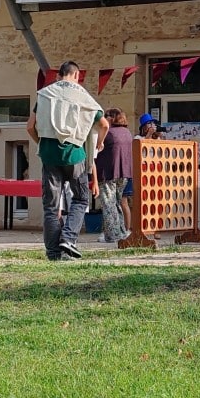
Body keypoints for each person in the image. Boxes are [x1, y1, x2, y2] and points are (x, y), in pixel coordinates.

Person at [27, 61, 106, 260]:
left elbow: (30, 126)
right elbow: (103, 124)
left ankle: (53, 253)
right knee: (80, 199)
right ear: (77, 74)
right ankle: (68, 238)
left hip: (49, 154)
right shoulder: (82, 95)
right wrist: (99, 144)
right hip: (74, 153)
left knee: (51, 206)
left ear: (59, 75)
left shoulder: (45, 94)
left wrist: (42, 142)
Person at [96, 108, 133, 244]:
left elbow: (97, 150)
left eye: (106, 116)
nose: (104, 118)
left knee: (108, 204)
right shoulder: (127, 133)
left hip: (108, 172)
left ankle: (112, 235)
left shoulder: (109, 133)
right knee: (117, 203)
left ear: (112, 118)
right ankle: (121, 231)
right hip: (124, 173)